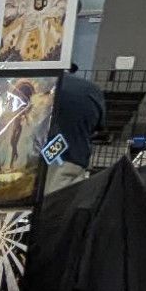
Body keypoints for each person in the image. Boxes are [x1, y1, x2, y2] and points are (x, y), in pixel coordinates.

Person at [47, 62, 105, 193]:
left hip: (31, 158)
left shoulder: (37, 84)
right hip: (71, 159)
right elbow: (97, 128)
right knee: (60, 205)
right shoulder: (91, 90)